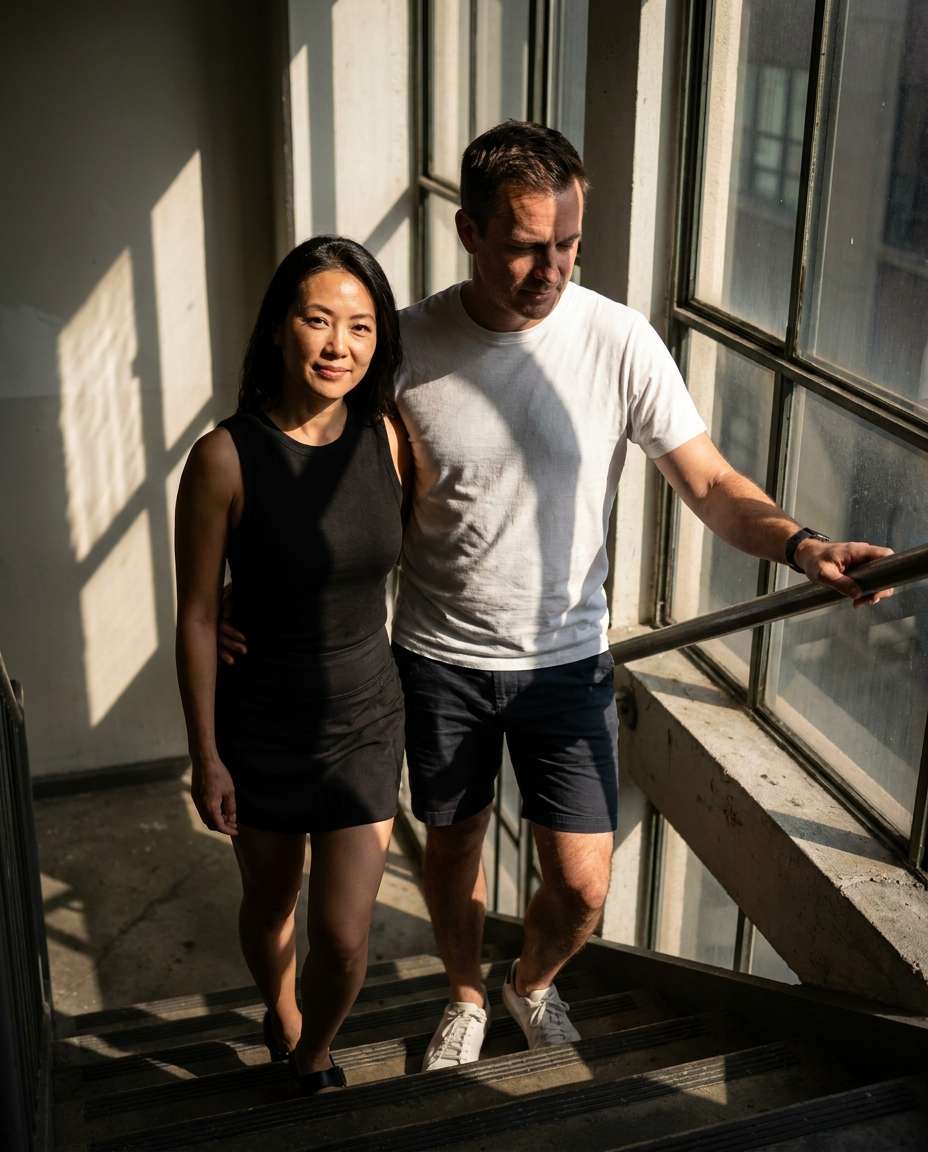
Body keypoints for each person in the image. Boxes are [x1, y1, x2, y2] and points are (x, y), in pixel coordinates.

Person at [221, 122, 893, 1073]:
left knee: (581, 885)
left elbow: (707, 481)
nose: (554, 267)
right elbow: (305, 458)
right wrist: (229, 595)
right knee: (451, 854)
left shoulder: (618, 338)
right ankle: (462, 991)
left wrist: (802, 544)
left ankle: (528, 982)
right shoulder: (403, 342)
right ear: (470, 234)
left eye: (570, 242)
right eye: (529, 245)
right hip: (437, 657)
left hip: (567, 661)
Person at [175, 235, 409, 1094]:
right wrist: (206, 755)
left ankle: (315, 1053)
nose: (339, 345)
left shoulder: (388, 437)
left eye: (360, 326)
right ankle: (279, 1011)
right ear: (280, 328)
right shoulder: (223, 458)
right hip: (262, 721)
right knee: (271, 904)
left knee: (345, 935)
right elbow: (198, 614)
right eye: (318, 320)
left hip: (365, 718)